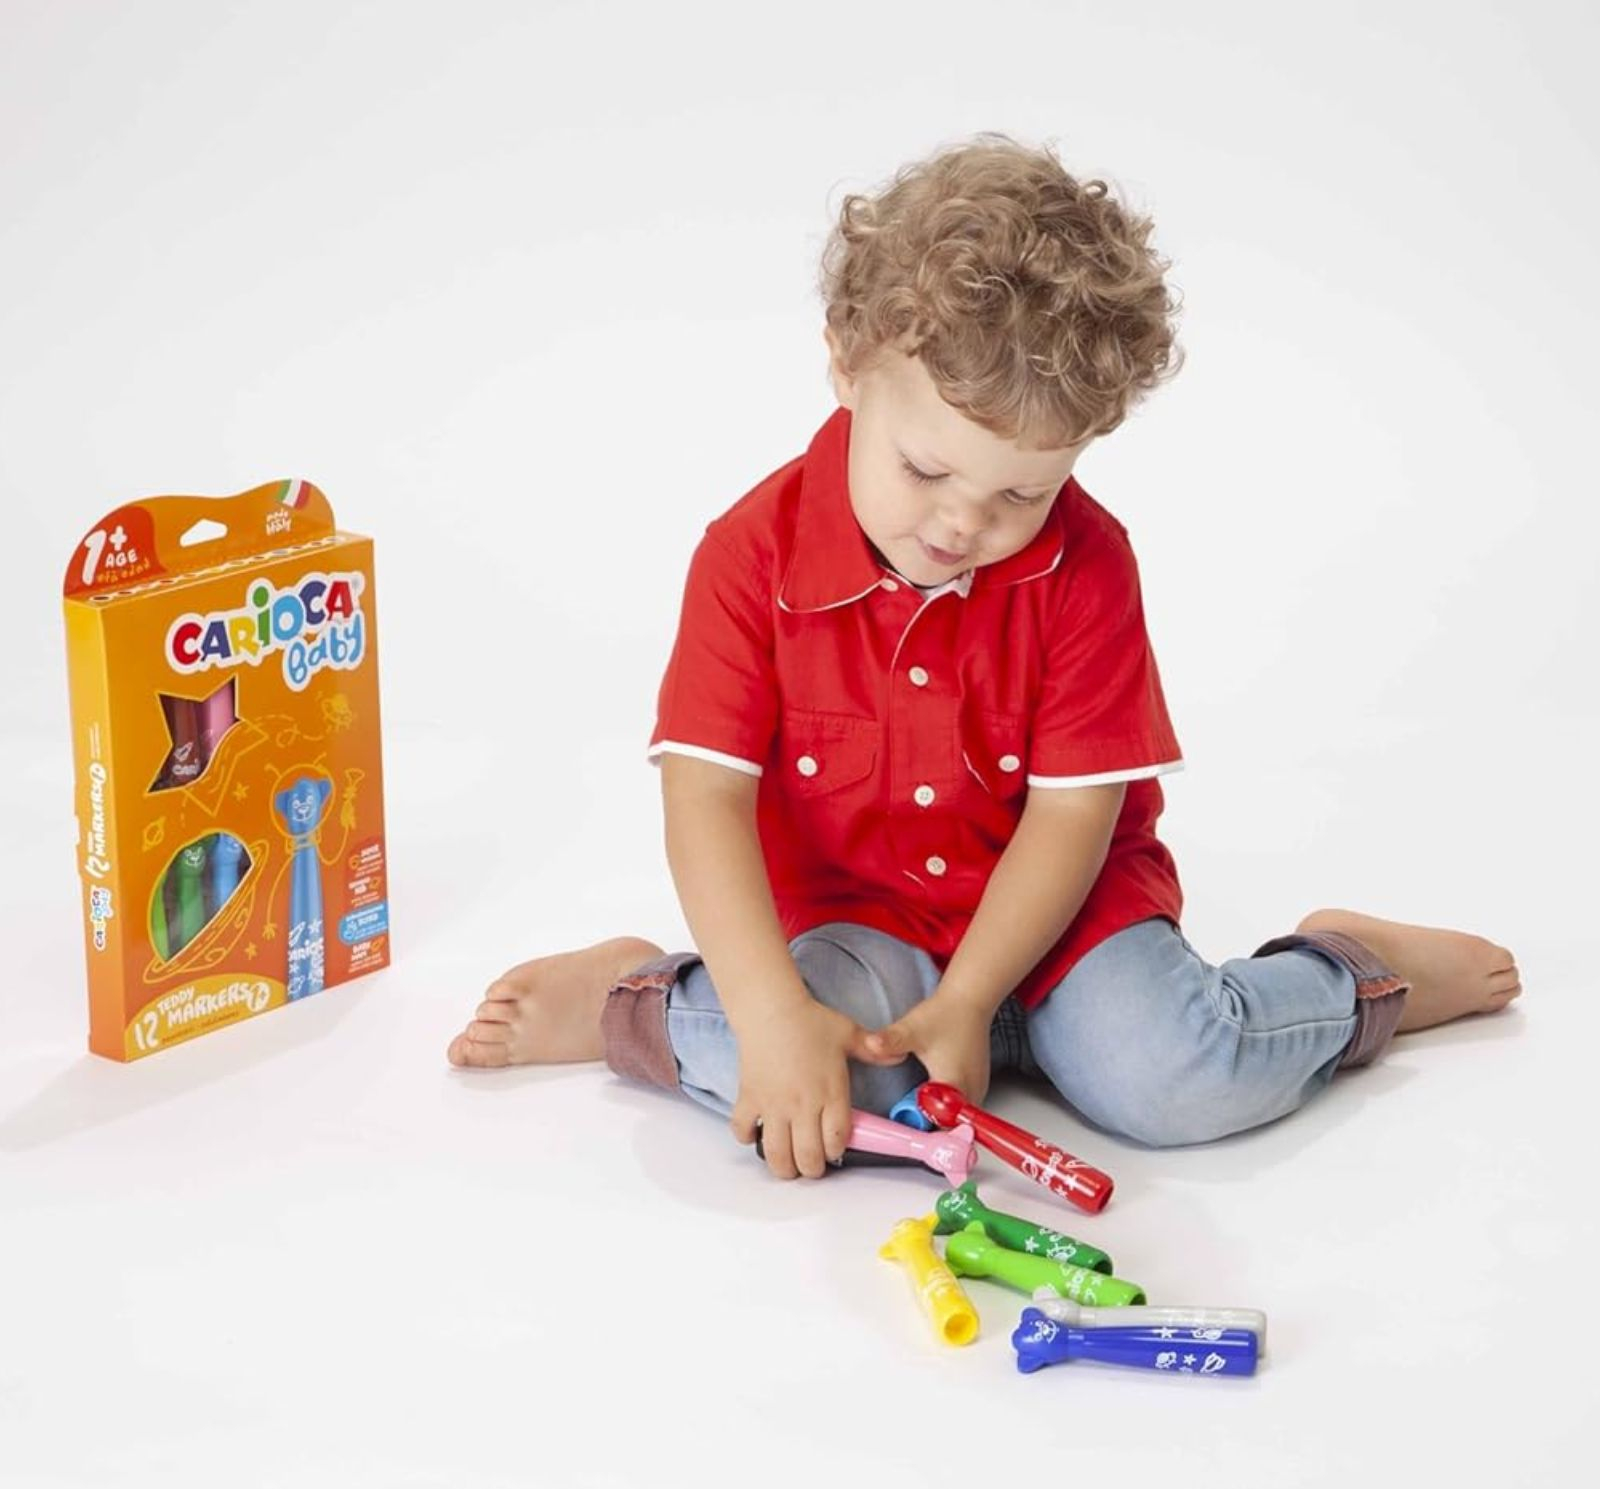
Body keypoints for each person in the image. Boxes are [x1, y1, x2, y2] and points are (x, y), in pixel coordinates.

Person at [445, 132, 1520, 1178]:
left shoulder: (1089, 567)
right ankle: (630, 1000)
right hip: (859, 924)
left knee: (1178, 1081)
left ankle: (1352, 978)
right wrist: (772, 1018)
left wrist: (969, 998)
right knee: (797, 1083)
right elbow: (704, 798)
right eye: (925, 471)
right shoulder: (748, 555)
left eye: (1020, 492)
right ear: (847, 364)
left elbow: (1071, 817)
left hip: (1065, 923)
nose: (962, 524)